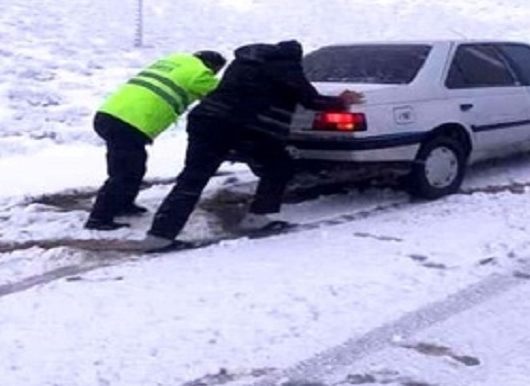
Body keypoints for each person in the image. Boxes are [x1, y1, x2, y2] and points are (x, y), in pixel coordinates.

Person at [143, 40, 363, 250]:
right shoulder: (286, 66)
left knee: (192, 178)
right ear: (295, 57)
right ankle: (257, 217)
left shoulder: (242, 62)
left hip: (206, 121)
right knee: (280, 164)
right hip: (243, 127)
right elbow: (311, 100)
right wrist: (342, 100)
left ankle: (160, 236)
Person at [84, 49, 228, 231]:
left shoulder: (174, 60)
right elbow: (225, 94)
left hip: (108, 115)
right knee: (125, 173)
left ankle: (123, 204)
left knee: (133, 166)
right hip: (129, 123)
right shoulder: (199, 73)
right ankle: (99, 218)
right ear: (212, 67)